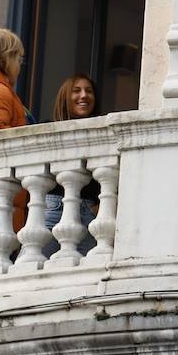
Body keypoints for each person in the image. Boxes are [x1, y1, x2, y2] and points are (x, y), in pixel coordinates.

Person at [44, 74, 102, 256]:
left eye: (89, 91)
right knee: (31, 264)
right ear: (65, 97)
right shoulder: (48, 130)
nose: (84, 95)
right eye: (76, 91)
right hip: (55, 208)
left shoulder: (102, 134)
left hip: (89, 214)